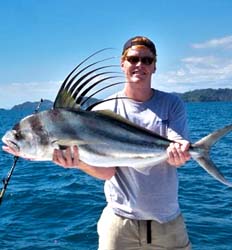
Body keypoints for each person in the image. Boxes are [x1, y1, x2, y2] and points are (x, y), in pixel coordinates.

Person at [54, 36, 192, 250]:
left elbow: (177, 148)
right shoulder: (102, 111)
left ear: (154, 66)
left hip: (167, 222)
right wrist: (78, 161)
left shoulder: (172, 104)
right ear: (122, 63)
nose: (140, 65)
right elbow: (108, 172)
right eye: (133, 59)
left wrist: (180, 153)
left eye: (147, 60)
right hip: (119, 224)